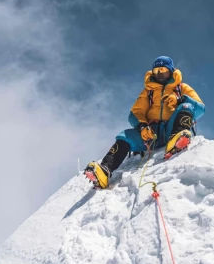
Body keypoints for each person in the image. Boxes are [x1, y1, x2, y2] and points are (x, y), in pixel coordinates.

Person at [85, 56, 206, 189]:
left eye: (163, 70)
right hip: (150, 134)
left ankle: (177, 140)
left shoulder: (181, 87)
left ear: (171, 71)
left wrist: (180, 100)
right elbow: (136, 112)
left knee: (186, 107)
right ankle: (104, 170)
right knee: (125, 136)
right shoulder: (148, 92)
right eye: (157, 71)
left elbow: (200, 108)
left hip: (172, 128)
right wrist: (142, 126)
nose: (160, 74)